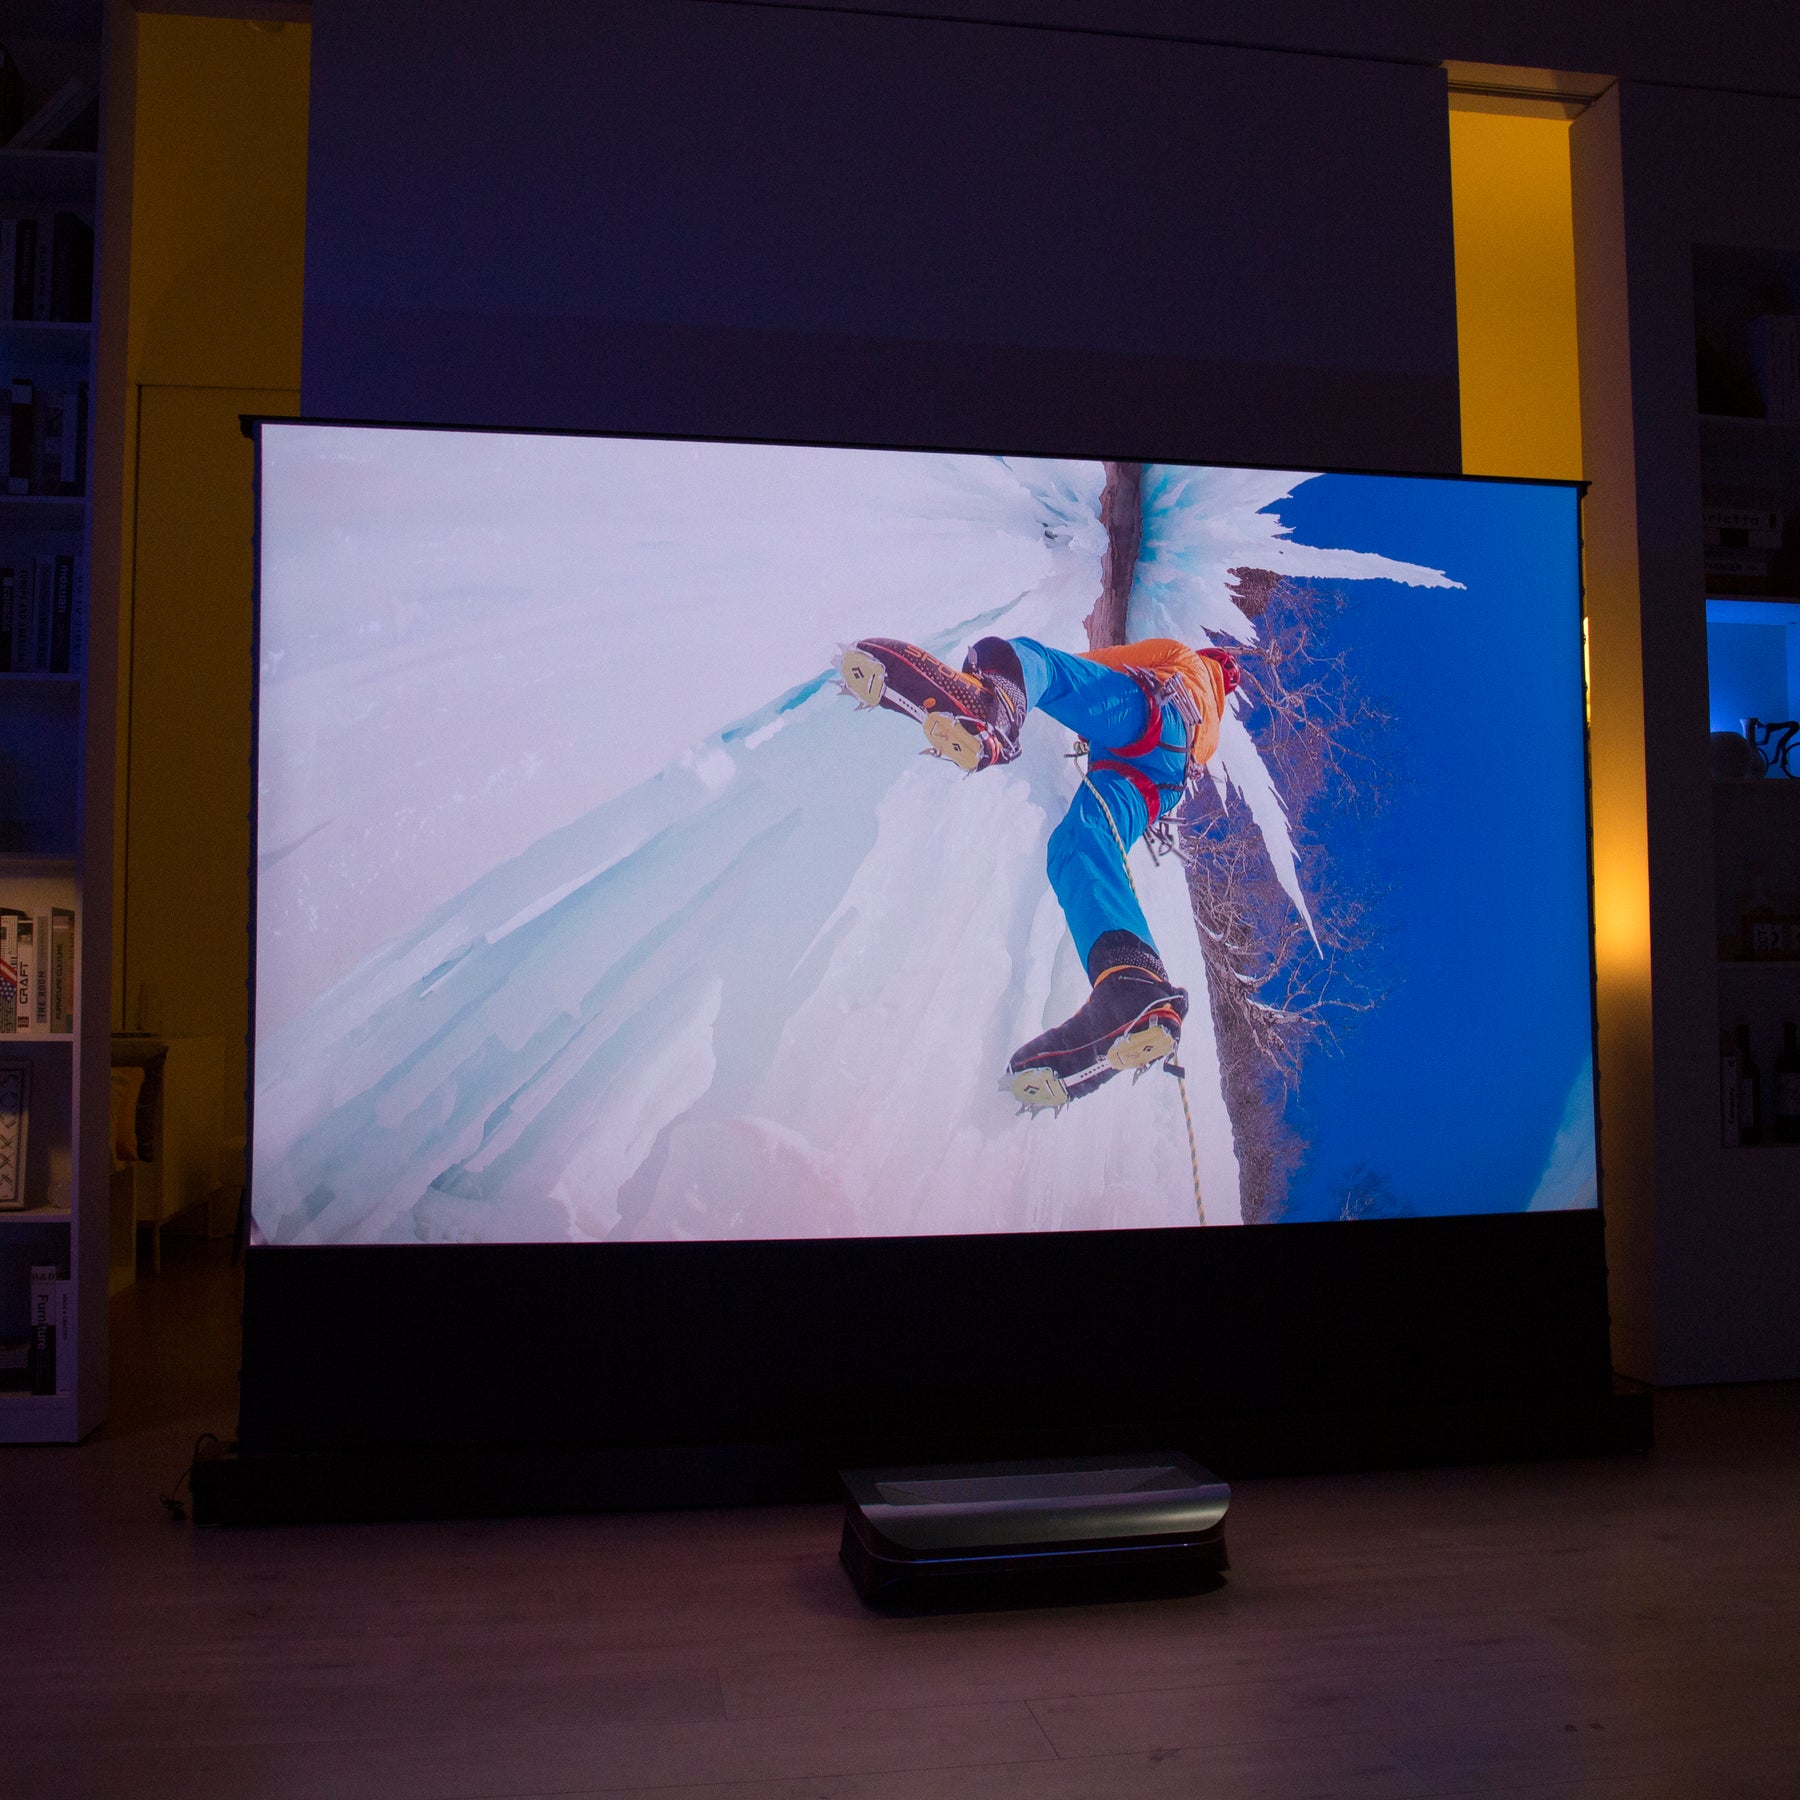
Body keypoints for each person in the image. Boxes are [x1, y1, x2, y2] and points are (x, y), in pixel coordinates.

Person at [839, 632, 1239, 1113]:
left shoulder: (1182, 658)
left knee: (1028, 659)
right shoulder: (1212, 734)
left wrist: (1050, 691)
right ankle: (1132, 986)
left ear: (1207, 660)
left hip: (1154, 716)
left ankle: (991, 711)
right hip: (1163, 779)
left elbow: (1094, 665)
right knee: (1080, 846)